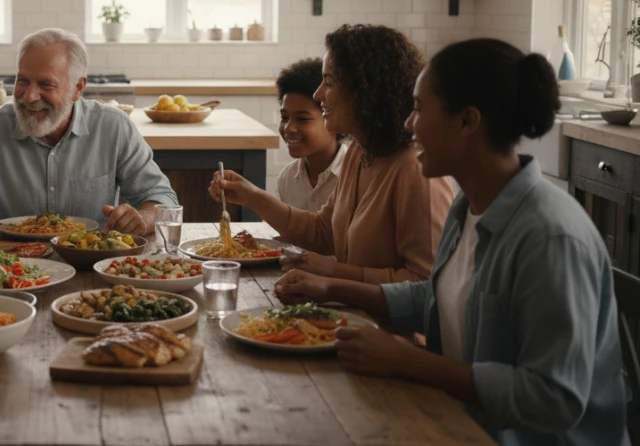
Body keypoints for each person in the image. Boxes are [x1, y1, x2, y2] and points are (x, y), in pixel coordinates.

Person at [274, 38, 627, 446]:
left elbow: (554, 399)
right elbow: (440, 300)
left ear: (467, 122)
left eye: (420, 110)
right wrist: (332, 286)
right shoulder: (468, 209)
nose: (408, 124)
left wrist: (410, 362)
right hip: (456, 419)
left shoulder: (551, 237)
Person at [211, 24, 453, 283]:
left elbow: (427, 284)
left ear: (366, 91)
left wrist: (334, 275)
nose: (318, 94)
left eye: (329, 82)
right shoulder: (360, 152)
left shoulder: (416, 170)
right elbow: (323, 232)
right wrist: (253, 197)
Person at [0, 28, 178, 238]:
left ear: (78, 88)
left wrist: (143, 219)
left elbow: (165, 202)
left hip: (92, 264)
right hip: (11, 266)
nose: (30, 96)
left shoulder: (114, 127)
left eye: (46, 85)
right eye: (23, 81)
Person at [275, 58, 346, 212]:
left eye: (303, 119)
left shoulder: (355, 175)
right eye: (284, 118)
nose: (289, 128)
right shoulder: (287, 178)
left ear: (332, 118)